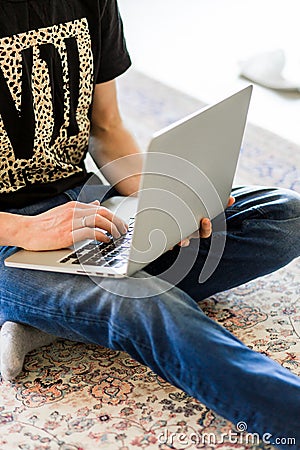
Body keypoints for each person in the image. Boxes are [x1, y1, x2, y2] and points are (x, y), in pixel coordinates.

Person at [0, 1, 299, 448]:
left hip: (89, 205)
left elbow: (106, 126)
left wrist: (161, 200)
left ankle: (55, 317)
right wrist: (25, 231)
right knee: (145, 300)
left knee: (285, 214)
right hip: (9, 236)